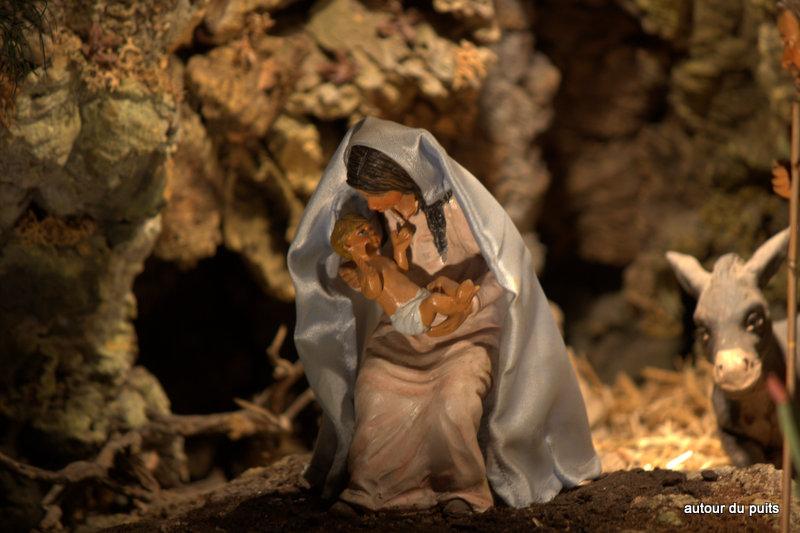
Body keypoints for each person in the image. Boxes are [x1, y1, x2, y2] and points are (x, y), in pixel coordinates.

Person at [288, 117, 600, 514]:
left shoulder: (462, 213)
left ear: (400, 182)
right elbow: (379, 274)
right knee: (376, 393)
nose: (368, 205)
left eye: (374, 194)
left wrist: (466, 302)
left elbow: (503, 270)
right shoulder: (382, 219)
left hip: (466, 329)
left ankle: (462, 490)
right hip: (405, 330)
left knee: (454, 401)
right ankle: (371, 490)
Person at [329, 212, 479, 337]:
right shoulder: (362, 270)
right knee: (434, 301)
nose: (370, 232)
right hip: (407, 314)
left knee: (440, 281)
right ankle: (460, 305)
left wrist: (399, 250)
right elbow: (371, 293)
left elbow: (401, 270)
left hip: (421, 297)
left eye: (370, 228)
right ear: (348, 246)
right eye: (362, 232)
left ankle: (458, 297)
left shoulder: (379, 259)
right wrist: (370, 276)